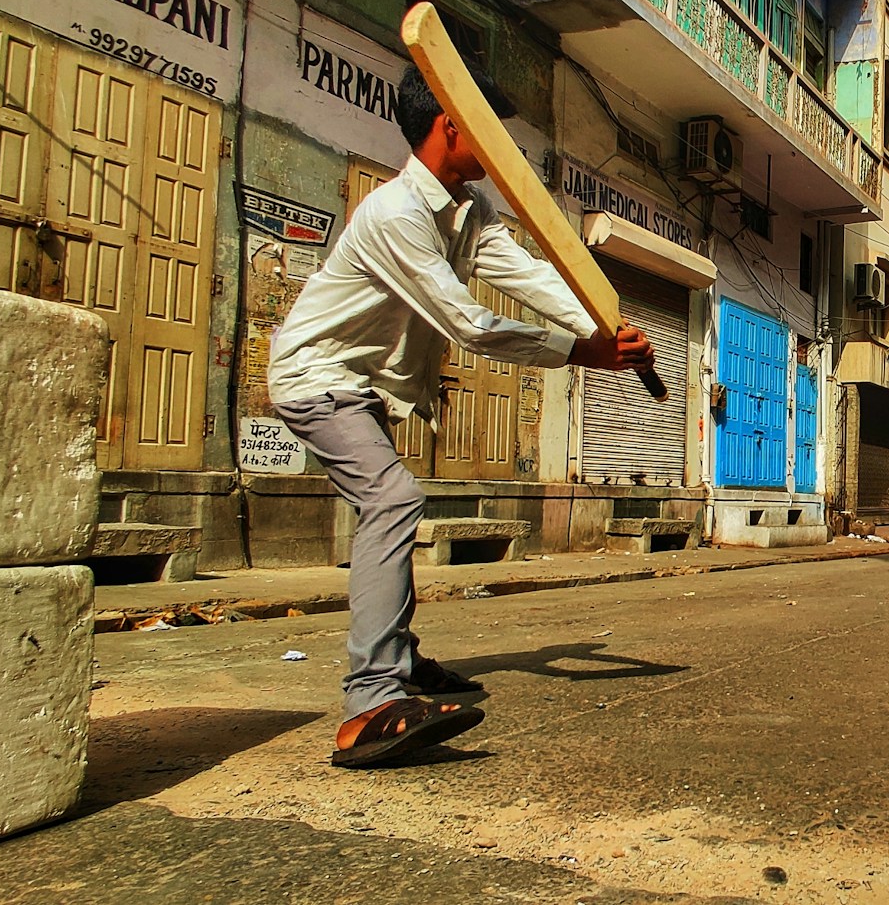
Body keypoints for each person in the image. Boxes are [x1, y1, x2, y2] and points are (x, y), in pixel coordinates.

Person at [268, 64, 656, 767]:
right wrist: (581, 352)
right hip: (313, 377)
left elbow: (532, 276)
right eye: (488, 123)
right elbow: (468, 323)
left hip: (361, 384)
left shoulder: (466, 211)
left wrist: (609, 327)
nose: (500, 141)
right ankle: (370, 705)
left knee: (384, 505)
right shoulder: (395, 214)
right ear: (452, 123)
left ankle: (399, 659)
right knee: (392, 498)